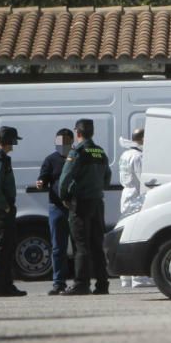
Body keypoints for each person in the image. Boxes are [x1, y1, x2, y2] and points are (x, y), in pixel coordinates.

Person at [58, 119, 111, 296]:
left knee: (81, 245)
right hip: (97, 203)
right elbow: (107, 178)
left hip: (81, 203)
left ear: (78, 133)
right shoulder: (100, 151)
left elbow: (65, 177)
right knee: (97, 244)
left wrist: (64, 196)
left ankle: (81, 283)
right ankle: (102, 284)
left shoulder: (77, 151)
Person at [0, 126, 26, 297]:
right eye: (14, 141)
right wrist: (5, 206)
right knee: (3, 248)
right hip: (1, 207)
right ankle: (1, 287)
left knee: (6, 247)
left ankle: (5, 286)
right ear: (9, 141)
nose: (14, 145)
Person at [37, 128, 74, 295]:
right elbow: (44, 177)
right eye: (59, 142)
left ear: (71, 141)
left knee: (79, 247)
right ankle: (58, 283)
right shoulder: (51, 159)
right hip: (57, 208)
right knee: (58, 247)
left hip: (75, 208)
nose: (62, 145)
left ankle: (80, 282)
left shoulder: (76, 157)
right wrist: (41, 182)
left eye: (65, 142)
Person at [118, 128, 153, 288]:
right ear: (143, 139)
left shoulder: (125, 154)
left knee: (126, 234)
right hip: (136, 196)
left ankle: (125, 277)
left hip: (126, 194)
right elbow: (143, 180)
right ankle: (139, 277)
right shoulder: (138, 156)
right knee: (138, 234)